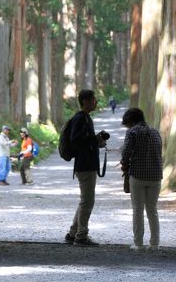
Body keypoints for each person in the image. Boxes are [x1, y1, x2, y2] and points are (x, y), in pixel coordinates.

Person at [120, 107, 163, 251]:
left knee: (137, 209)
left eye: (126, 124)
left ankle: (138, 243)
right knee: (152, 210)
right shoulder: (156, 132)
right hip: (155, 176)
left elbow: (125, 154)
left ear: (131, 121)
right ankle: (154, 243)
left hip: (137, 175)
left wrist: (124, 163)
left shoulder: (132, 132)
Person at [64, 89, 101, 247]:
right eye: (93, 99)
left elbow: (82, 139)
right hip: (84, 165)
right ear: (85, 101)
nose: (96, 102)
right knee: (87, 201)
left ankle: (74, 233)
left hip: (86, 165)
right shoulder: (80, 118)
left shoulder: (85, 118)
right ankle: (81, 236)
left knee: (85, 201)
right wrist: (94, 140)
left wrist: (95, 140)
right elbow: (75, 139)